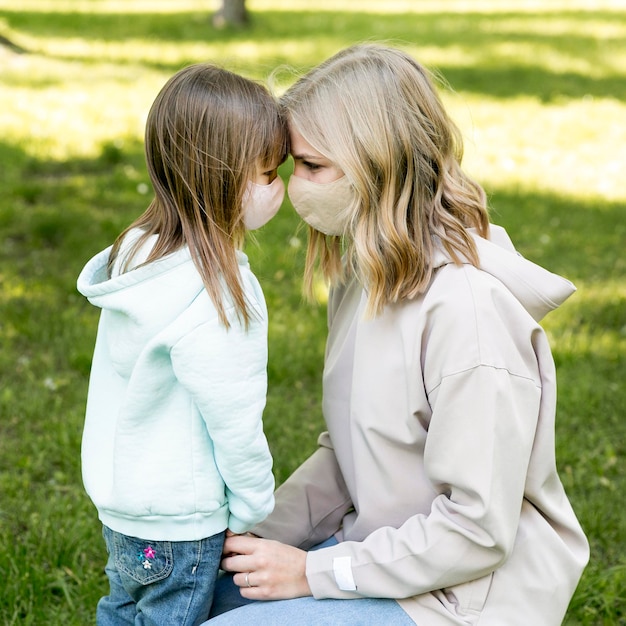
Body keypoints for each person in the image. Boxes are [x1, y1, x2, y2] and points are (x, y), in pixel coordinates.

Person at [204, 44, 589, 625]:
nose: (295, 187)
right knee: (193, 597)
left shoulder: (469, 313)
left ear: (378, 166)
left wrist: (312, 572)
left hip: (464, 598)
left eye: (312, 166)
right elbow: (347, 455)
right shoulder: (365, 277)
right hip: (380, 555)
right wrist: (246, 539)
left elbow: (478, 530)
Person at [77, 63, 288, 625]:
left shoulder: (137, 255)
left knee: (122, 608)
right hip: (181, 522)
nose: (279, 186)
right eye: (268, 173)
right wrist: (253, 506)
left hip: (122, 504)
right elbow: (234, 415)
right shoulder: (222, 290)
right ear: (225, 180)